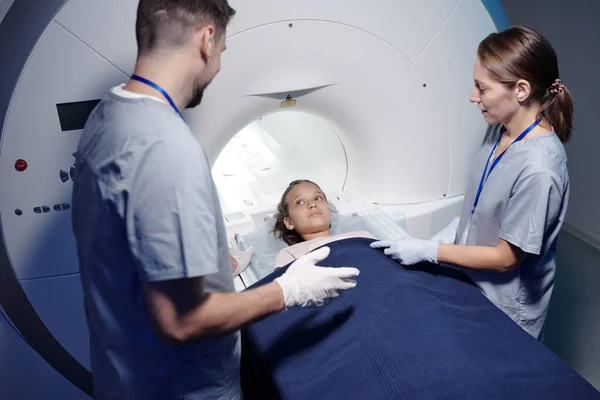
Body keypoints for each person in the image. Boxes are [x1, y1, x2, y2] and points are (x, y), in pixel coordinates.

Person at [70, 1, 359, 399]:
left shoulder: (108, 115)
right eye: (222, 50)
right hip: (181, 387)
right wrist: (288, 291)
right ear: (207, 39)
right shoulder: (167, 149)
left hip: (124, 371)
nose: (219, 65)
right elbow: (181, 321)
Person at [371, 25, 573, 340]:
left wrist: (430, 249)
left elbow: (506, 258)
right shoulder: (499, 127)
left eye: (481, 87)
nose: (472, 97)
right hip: (469, 284)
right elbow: (478, 205)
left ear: (520, 90)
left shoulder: (540, 167)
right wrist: (447, 235)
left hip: (506, 307)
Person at [272, 180, 376, 269]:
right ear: (289, 222)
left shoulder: (362, 236)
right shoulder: (290, 253)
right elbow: (284, 288)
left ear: (329, 211)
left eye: (318, 198)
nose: (313, 204)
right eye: (299, 202)